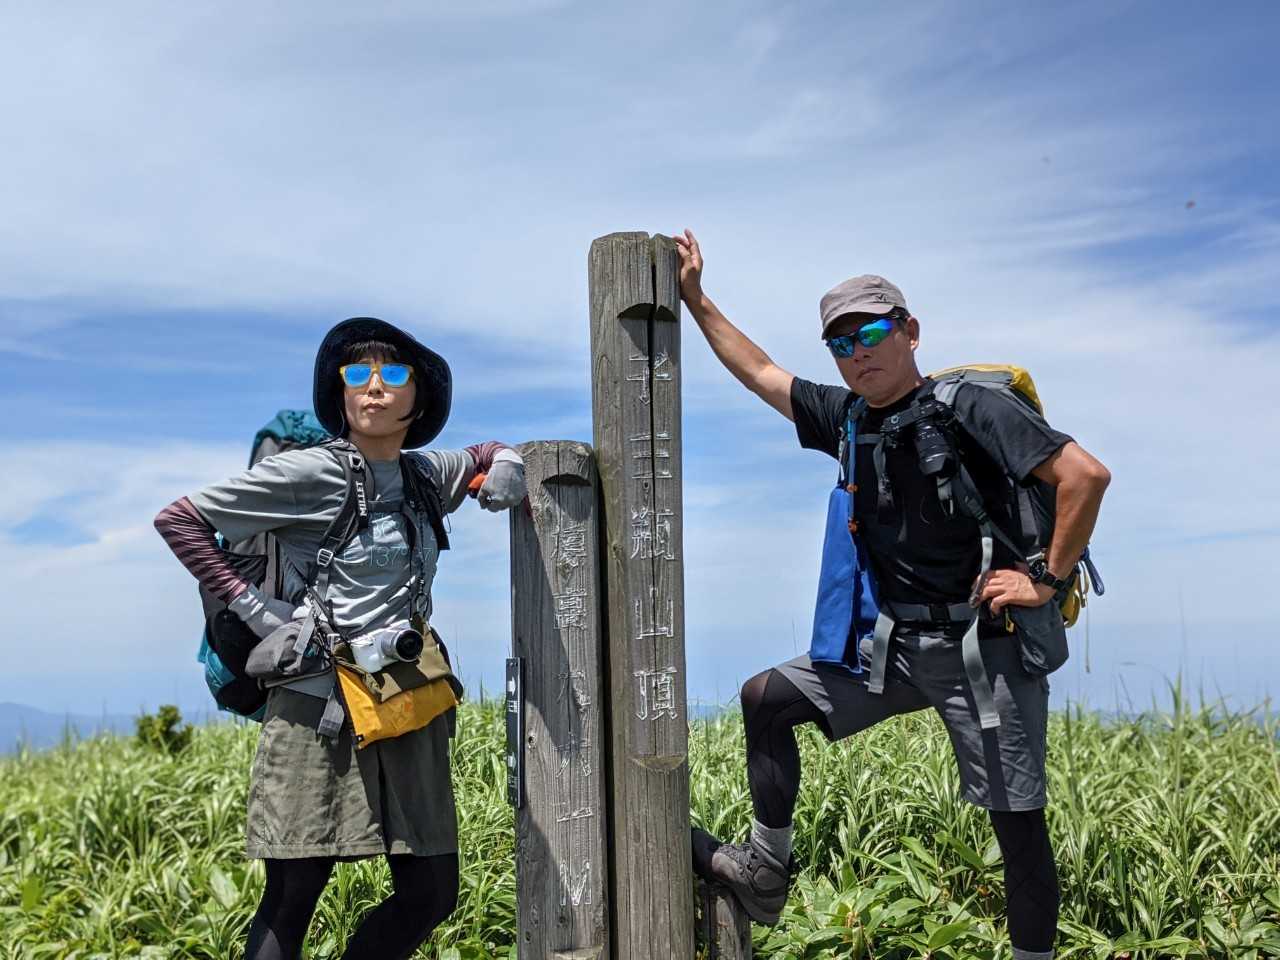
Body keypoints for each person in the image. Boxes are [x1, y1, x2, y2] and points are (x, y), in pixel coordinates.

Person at [674, 230, 1110, 960]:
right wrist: (696, 298)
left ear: (910, 331)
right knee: (766, 699)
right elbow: (760, 372)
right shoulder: (849, 418)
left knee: (1018, 828)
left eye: (872, 334)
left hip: (987, 648)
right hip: (895, 647)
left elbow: (1084, 476)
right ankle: (766, 871)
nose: (858, 353)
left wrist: (1044, 578)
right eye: (841, 344)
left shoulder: (971, 408)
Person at [155, 317, 526, 960]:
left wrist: (508, 463)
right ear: (341, 393)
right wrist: (259, 611)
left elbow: (484, 452)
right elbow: (181, 519)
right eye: (358, 374)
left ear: (419, 400)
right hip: (316, 707)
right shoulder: (310, 473)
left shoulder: (425, 474)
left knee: (432, 891)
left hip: (404, 702)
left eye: (393, 374)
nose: (374, 386)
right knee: (293, 896)